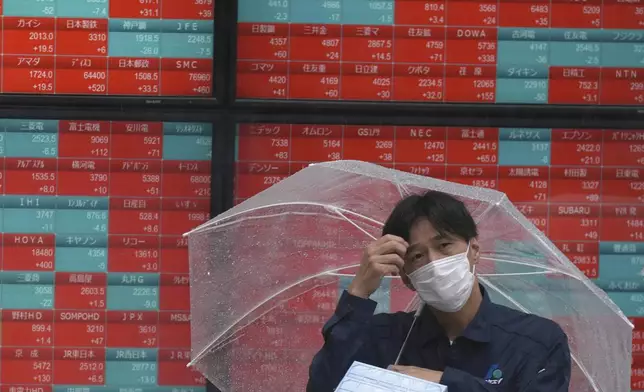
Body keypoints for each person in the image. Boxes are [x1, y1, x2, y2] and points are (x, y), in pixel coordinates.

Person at [307, 190, 571, 392]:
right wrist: (359, 291)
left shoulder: (536, 341)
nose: (434, 263)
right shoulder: (383, 337)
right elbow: (324, 386)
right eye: (418, 255)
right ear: (405, 276)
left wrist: (444, 383)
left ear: (473, 251)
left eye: (444, 245)